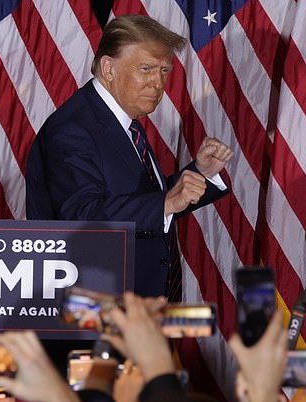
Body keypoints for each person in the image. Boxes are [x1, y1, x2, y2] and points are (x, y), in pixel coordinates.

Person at [25, 14, 232, 298]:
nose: (158, 83)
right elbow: (84, 216)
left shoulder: (121, 121)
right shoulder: (73, 128)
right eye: (146, 68)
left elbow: (140, 199)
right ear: (109, 68)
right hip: (95, 314)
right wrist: (168, 201)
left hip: (134, 310)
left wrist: (201, 174)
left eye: (163, 71)